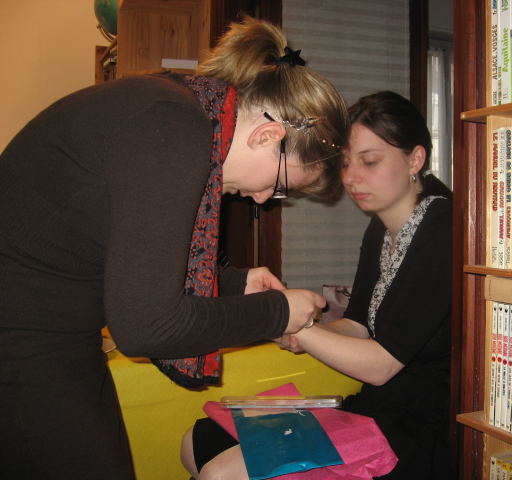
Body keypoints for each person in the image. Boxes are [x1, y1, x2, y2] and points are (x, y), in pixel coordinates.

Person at [0, 16, 348, 480]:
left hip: (48, 331)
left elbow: (135, 260)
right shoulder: (174, 127)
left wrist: (235, 283)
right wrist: (276, 312)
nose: (265, 199)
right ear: (267, 137)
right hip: (22, 338)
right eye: (281, 185)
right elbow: (148, 327)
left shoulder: (179, 107)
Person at [181, 90, 452, 479]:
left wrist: (290, 323)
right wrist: (300, 332)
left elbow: (381, 365)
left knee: (221, 472)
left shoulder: (442, 232)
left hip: (418, 427)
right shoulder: (380, 229)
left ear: (415, 159)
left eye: (370, 161)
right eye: (345, 163)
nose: (351, 177)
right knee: (198, 441)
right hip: (377, 406)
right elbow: (358, 325)